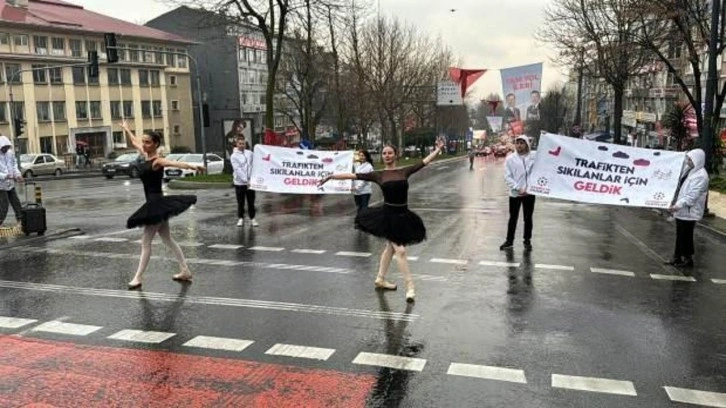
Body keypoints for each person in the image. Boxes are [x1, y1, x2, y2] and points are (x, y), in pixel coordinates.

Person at [319, 139, 446, 303]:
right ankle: (410, 287)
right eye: (384, 153)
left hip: (403, 215)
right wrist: (331, 176)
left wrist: (438, 149)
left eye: (389, 153)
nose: (387, 155)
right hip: (388, 216)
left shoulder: (404, 171)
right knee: (400, 251)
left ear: (395, 155)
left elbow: (424, 162)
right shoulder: (378, 175)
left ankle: (380, 279)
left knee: (390, 249)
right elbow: (354, 175)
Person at [121, 121, 204, 290]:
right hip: (154, 204)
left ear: (156, 144)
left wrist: (192, 166)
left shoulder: (157, 161)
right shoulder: (145, 156)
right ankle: (185, 270)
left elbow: (175, 163)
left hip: (156, 204)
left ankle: (138, 277)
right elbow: (135, 142)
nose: (143, 144)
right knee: (167, 239)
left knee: (145, 242)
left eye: (148, 142)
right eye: (144, 141)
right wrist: (127, 129)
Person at [665, 149, 709, 267]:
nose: (688, 161)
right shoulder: (689, 170)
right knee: (680, 234)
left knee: (686, 235)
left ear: (697, 160)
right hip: (682, 209)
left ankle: (687, 259)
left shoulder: (701, 176)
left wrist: (677, 205)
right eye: (688, 159)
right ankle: (677, 257)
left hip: (689, 211)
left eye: (690, 159)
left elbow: (692, 196)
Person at [501, 135, 536, 251]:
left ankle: (527, 240)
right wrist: (518, 188)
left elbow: (540, 169)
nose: (519, 145)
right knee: (513, 218)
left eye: (522, 143)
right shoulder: (510, 159)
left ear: (527, 144)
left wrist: (530, 188)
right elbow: (507, 176)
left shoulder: (533, 157)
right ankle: (509, 241)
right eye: (517, 143)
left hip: (529, 193)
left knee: (528, 218)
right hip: (515, 194)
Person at [231, 135, 258, 227]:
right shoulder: (234, 156)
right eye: (240, 143)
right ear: (236, 144)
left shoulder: (249, 153)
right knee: (241, 202)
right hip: (240, 183)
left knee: (251, 201)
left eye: (243, 143)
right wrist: (245, 180)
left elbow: (255, 163)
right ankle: (240, 218)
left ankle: (252, 218)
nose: (242, 145)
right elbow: (237, 169)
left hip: (250, 183)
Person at [0, 135, 23, 227]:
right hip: (1, 185)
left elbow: (14, 166)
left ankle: (20, 220)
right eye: (4, 148)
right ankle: (0, 221)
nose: (5, 149)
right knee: (4, 204)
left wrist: (18, 175)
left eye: (7, 147)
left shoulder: (10, 154)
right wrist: (5, 176)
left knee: (15, 202)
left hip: (10, 184)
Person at [352, 149, 374, 214]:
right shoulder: (358, 166)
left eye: (363, 155)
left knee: (363, 208)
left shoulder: (368, 166)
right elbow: (354, 176)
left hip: (365, 191)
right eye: (360, 155)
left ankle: (363, 221)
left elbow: (365, 180)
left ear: (366, 156)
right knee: (359, 207)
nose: (361, 157)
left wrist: (357, 187)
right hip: (357, 192)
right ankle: (361, 221)